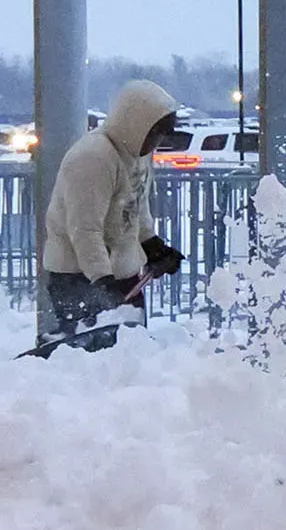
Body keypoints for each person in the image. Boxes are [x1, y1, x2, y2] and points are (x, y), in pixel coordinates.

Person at [40, 80, 186, 344]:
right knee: (92, 361)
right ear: (135, 125)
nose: (157, 141)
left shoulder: (135, 155)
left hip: (120, 277)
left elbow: (135, 205)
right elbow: (84, 229)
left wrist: (151, 244)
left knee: (127, 357)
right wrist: (102, 282)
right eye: (155, 133)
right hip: (79, 277)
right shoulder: (93, 157)